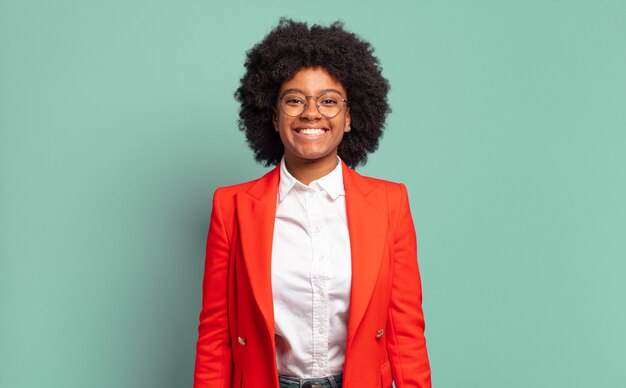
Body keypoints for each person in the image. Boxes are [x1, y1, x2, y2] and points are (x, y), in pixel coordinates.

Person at [194, 18, 431, 388]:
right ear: (273, 116)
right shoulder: (232, 207)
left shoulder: (390, 203)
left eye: (329, 101)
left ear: (350, 117)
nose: (311, 112)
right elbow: (214, 335)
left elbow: (406, 333)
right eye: (294, 100)